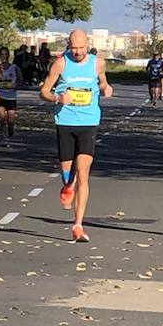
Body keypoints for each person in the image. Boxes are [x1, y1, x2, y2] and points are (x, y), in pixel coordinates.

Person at [40, 28, 112, 242]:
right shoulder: (61, 64)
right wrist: (57, 98)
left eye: (82, 48)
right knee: (68, 173)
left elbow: (102, 81)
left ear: (87, 45)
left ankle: (78, 225)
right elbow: (44, 91)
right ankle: (66, 185)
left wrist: (106, 88)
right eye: (74, 48)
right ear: (68, 46)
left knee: (83, 173)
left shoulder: (97, 63)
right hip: (65, 122)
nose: (78, 52)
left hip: (89, 122)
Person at [0, 46, 19, 139]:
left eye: (6, 54)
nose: (4, 56)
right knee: (1, 117)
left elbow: (20, 79)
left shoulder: (14, 67)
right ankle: (3, 134)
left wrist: (16, 85)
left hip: (11, 97)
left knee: (10, 119)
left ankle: (10, 128)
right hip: (0, 96)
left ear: (8, 55)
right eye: (2, 54)